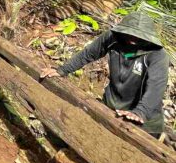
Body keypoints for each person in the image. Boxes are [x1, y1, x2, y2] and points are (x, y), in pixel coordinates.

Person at [41, 12, 169, 138]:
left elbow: (156, 87)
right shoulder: (112, 38)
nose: (133, 40)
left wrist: (141, 112)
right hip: (112, 109)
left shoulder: (157, 54)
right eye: (129, 34)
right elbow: (88, 54)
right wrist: (62, 70)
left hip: (143, 120)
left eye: (139, 37)